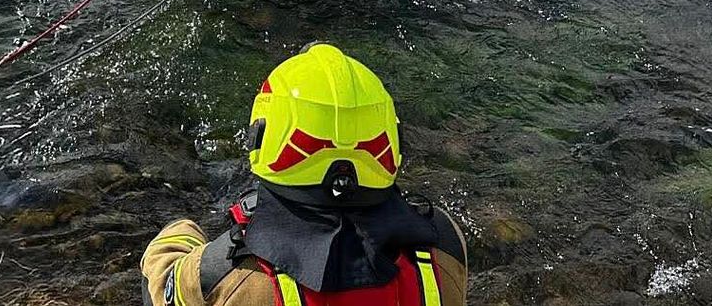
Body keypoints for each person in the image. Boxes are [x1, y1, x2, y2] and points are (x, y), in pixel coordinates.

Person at [141, 44, 468, 306]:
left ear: (262, 137)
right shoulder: (443, 242)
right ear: (391, 140)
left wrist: (179, 230)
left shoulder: (228, 276)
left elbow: (162, 282)